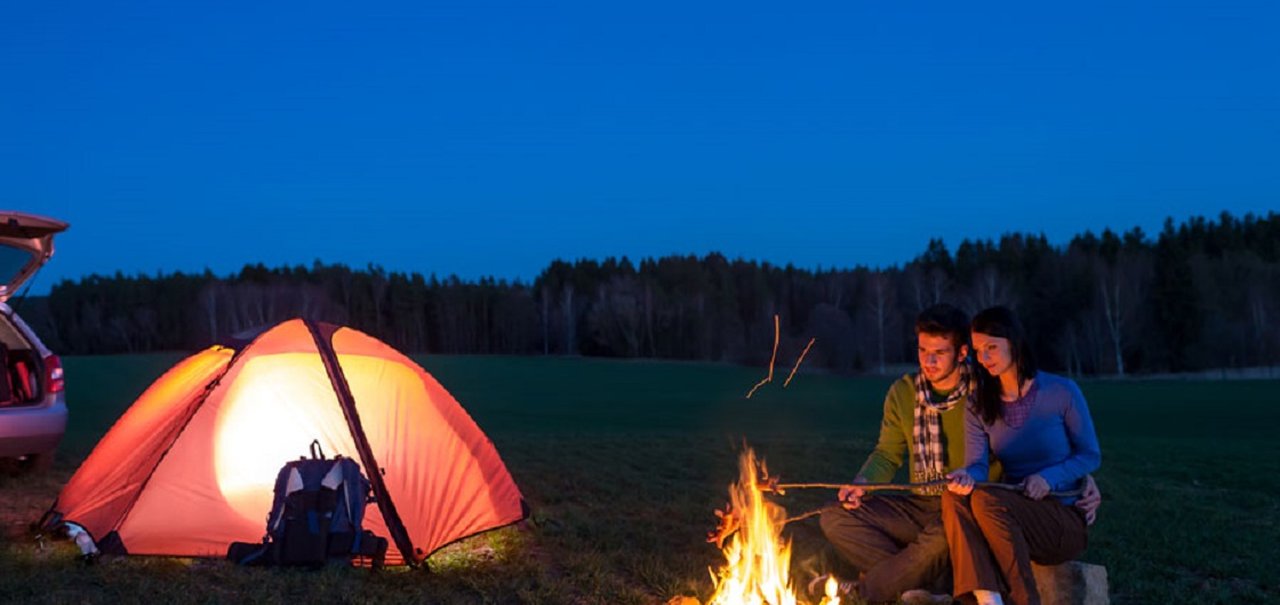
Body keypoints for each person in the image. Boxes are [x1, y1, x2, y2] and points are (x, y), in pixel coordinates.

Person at [816, 303, 977, 604]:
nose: (928, 361)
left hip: (965, 506)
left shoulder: (984, 393)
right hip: (919, 503)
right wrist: (862, 483)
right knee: (835, 516)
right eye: (922, 350)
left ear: (962, 353)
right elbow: (888, 455)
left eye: (939, 352)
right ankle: (930, 584)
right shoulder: (903, 392)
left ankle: (867, 591)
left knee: (943, 536)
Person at [943, 306, 1102, 605]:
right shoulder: (978, 404)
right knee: (954, 496)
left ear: (1013, 343)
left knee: (986, 500)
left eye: (992, 347)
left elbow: (1090, 455)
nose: (984, 357)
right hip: (1012, 511)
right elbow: (978, 466)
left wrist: (1048, 478)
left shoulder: (1061, 392)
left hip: (1061, 517)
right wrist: (966, 476)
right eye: (978, 350)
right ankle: (987, 598)